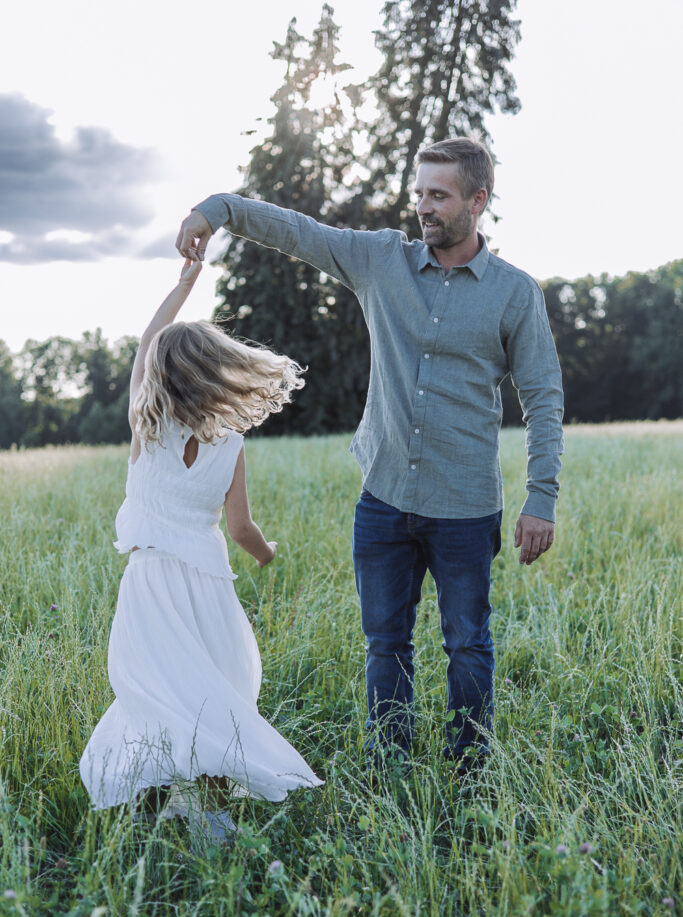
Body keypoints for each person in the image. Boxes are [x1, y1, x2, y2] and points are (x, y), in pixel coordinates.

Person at [176, 137, 564, 777]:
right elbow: (295, 231)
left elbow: (543, 398)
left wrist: (541, 497)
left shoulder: (515, 294)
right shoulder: (380, 260)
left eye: (438, 195)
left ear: (478, 200)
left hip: (465, 507)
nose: (423, 207)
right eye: (419, 194)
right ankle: (388, 770)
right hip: (383, 500)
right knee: (386, 646)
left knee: (467, 644)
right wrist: (217, 208)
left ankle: (468, 773)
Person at [79, 259, 323, 841]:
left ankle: (163, 797)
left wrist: (183, 286)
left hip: (152, 583)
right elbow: (240, 527)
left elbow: (146, 345)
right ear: (219, 373)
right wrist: (266, 556)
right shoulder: (229, 443)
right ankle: (201, 806)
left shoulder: (148, 426)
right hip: (208, 587)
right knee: (219, 691)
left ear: (157, 376)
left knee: (160, 692)